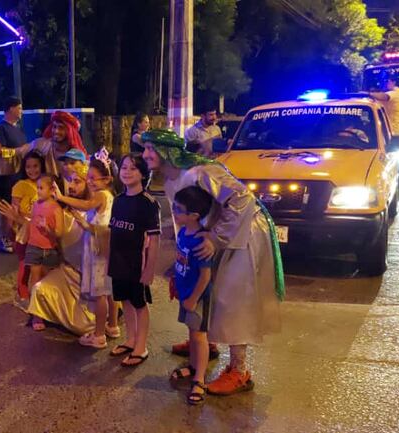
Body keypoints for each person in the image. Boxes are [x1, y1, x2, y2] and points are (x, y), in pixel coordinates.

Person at [142, 128, 284, 395]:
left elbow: (242, 199)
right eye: (146, 148)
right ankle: (205, 341)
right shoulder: (171, 180)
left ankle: (240, 371)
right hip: (212, 234)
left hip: (240, 235)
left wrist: (217, 238)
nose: (145, 154)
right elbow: (182, 220)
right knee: (210, 292)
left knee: (233, 299)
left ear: (167, 152)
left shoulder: (200, 173)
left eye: (151, 149)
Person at [0, 165, 96, 335]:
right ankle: (40, 315)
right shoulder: (63, 211)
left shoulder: (95, 214)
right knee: (39, 288)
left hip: (90, 277)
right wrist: (17, 219)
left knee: (85, 324)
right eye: (70, 181)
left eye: (77, 182)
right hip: (66, 272)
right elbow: (37, 226)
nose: (71, 186)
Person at [54, 149, 120, 349]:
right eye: (88, 177)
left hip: (98, 251)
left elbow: (86, 205)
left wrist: (61, 197)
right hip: (104, 246)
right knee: (109, 291)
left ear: (107, 179)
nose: (90, 182)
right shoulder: (108, 196)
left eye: (93, 178)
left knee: (99, 292)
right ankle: (113, 325)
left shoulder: (101, 195)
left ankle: (99, 335)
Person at [107, 154, 160, 367]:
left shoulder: (148, 203)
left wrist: (149, 270)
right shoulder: (118, 201)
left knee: (139, 304)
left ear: (143, 173)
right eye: (124, 167)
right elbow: (113, 233)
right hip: (118, 262)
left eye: (132, 168)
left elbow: (154, 239)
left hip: (137, 263)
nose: (126, 171)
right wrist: (109, 261)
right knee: (125, 301)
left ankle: (141, 347)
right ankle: (130, 340)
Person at [168, 186, 214, 406]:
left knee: (199, 336)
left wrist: (194, 299)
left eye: (178, 209)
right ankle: (194, 366)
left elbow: (205, 275)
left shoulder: (199, 241)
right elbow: (180, 261)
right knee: (191, 332)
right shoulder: (184, 233)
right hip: (185, 292)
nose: (174, 213)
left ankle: (199, 379)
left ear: (194, 215)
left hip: (196, 297)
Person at [0, 110, 87, 185]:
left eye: (61, 128)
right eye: (54, 127)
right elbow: (19, 152)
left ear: (70, 132)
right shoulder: (43, 144)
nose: (56, 131)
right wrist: (2, 152)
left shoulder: (78, 154)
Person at [26, 173, 65, 331]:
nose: (38, 191)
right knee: (34, 281)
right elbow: (30, 221)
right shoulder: (35, 204)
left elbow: (60, 233)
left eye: (41, 188)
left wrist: (48, 230)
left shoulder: (56, 208)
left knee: (47, 283)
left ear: (51, 190)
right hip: (34, 247)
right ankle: (36, 315)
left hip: (49, 250)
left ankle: (48, 312)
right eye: (37, 188)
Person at [0, 96, 26, 254]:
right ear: (11, 108)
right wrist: (18, 151)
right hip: (7, 176)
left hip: (19, 173)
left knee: (17, 206)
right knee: (8, 207)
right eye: (19, 108)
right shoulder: (0, 127)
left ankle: (15, 235)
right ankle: (6, 238)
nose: (21, 111)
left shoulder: (17, 128)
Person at [9, 151, 45, 305]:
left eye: (35, 166)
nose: (32, 170)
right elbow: (13, 211)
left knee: (40, 265)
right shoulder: (20, 185)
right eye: (28, 166)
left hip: (42, 232)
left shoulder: (46, 184)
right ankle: (23, 295)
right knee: (25, 264)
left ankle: (39, 296)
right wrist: (12, 231)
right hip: (24, 231)